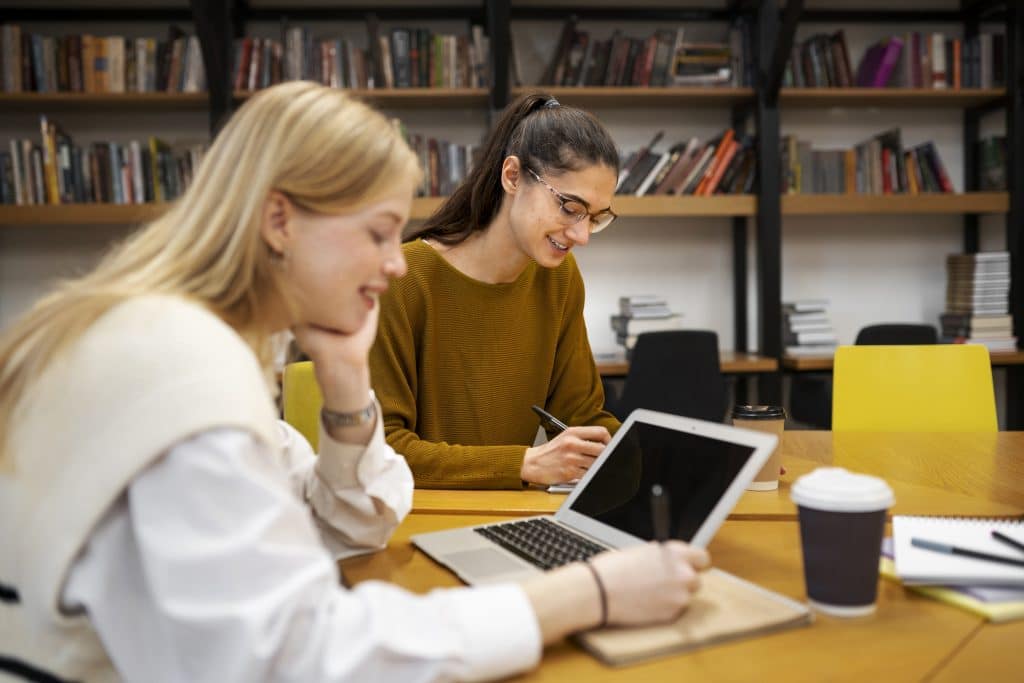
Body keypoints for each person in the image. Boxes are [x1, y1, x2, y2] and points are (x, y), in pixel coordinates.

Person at [0, 82, 710, 682]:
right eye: (376, 233)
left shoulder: (183, 339)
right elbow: (302, 653)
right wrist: (580, 592)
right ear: (280, 220)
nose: (397, 262)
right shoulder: (181, 363)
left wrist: (344, 388)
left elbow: (350, 520)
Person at [370, 93, 623, 489]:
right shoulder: (401, 279)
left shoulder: (558, 277)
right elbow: (384, 450)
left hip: (511, 517)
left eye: (595, 218)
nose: (581, 234)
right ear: (512, 176)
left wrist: (642, 456)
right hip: (418, 517)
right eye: (570, 208)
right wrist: (522, 464)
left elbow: (581, 417)